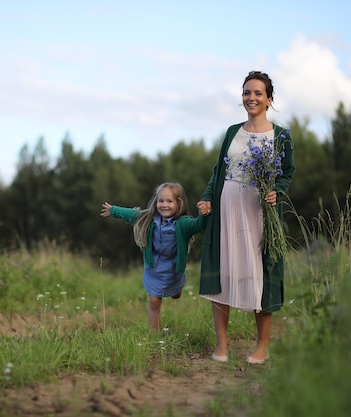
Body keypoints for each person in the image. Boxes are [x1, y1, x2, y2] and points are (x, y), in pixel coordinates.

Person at [196, 71, 295, 365]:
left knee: (261, 274)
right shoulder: (231, 132)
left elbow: (287, 173)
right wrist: (206, 196)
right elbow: (219, 170)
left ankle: (262, 346)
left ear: (269, 99)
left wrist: (277, 190)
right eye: (246, 93)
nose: (251, 98)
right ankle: (222, 347)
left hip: (259, 211)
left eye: (258, 93)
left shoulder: (282, 136)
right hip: (227, 206)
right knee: (224, 272)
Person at [101, 182, 206, 333]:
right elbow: (131, 214)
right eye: (161, 201)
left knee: (176, 294)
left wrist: (204, 214)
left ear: (179, 203)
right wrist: (113, 210)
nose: (164, 205)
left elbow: (199, 225)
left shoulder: (183, 223)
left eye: (169, 201)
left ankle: (176, 289)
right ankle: (153, 336)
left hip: (173, 267)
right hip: (154, 267)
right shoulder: (149, 218)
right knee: (154, 300)